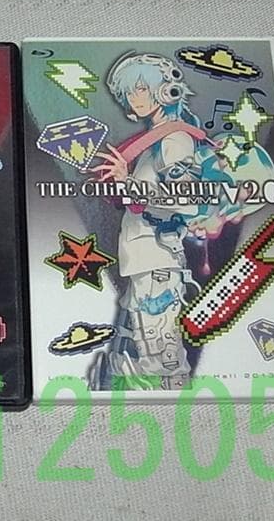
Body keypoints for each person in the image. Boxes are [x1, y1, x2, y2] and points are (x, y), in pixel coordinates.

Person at [88, 53, 204, 391]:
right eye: (129, 91)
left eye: (140, 88)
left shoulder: (174, 140)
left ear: (165, 89)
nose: (133, 98)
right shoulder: (156, 141)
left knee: (159, 353)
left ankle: (168, 406)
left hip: (156, 258)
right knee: (138, 345)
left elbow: (185, 199)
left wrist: (127, 182)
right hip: (144, 258)